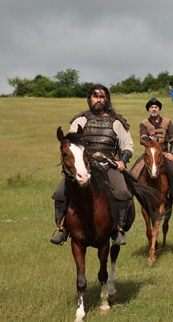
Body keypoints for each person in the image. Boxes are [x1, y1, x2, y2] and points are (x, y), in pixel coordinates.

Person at [50, 84, 134, 245]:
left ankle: (118, 230)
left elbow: (128, 145)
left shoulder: (116, 122)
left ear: (107, 99)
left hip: (108, 165)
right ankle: (62, 229)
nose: (98, 100)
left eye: (102, 97)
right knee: (60, 194)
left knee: (123, 192)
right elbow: (71, 143)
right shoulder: (80, 120)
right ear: (90, 99)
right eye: (95, 96)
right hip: (83, 165)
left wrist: (122, 160)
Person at [131, 97, 173, 209]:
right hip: (150, 152)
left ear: (159, 109)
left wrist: (171, 153)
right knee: (134, 171)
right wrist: (149, 142)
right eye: (151, 107)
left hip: (164, 152)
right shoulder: (144, 123)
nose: (154, 109)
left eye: (156, 107)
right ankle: (129, 197)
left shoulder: (167, 122)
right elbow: (143, 138)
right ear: (148, 110)